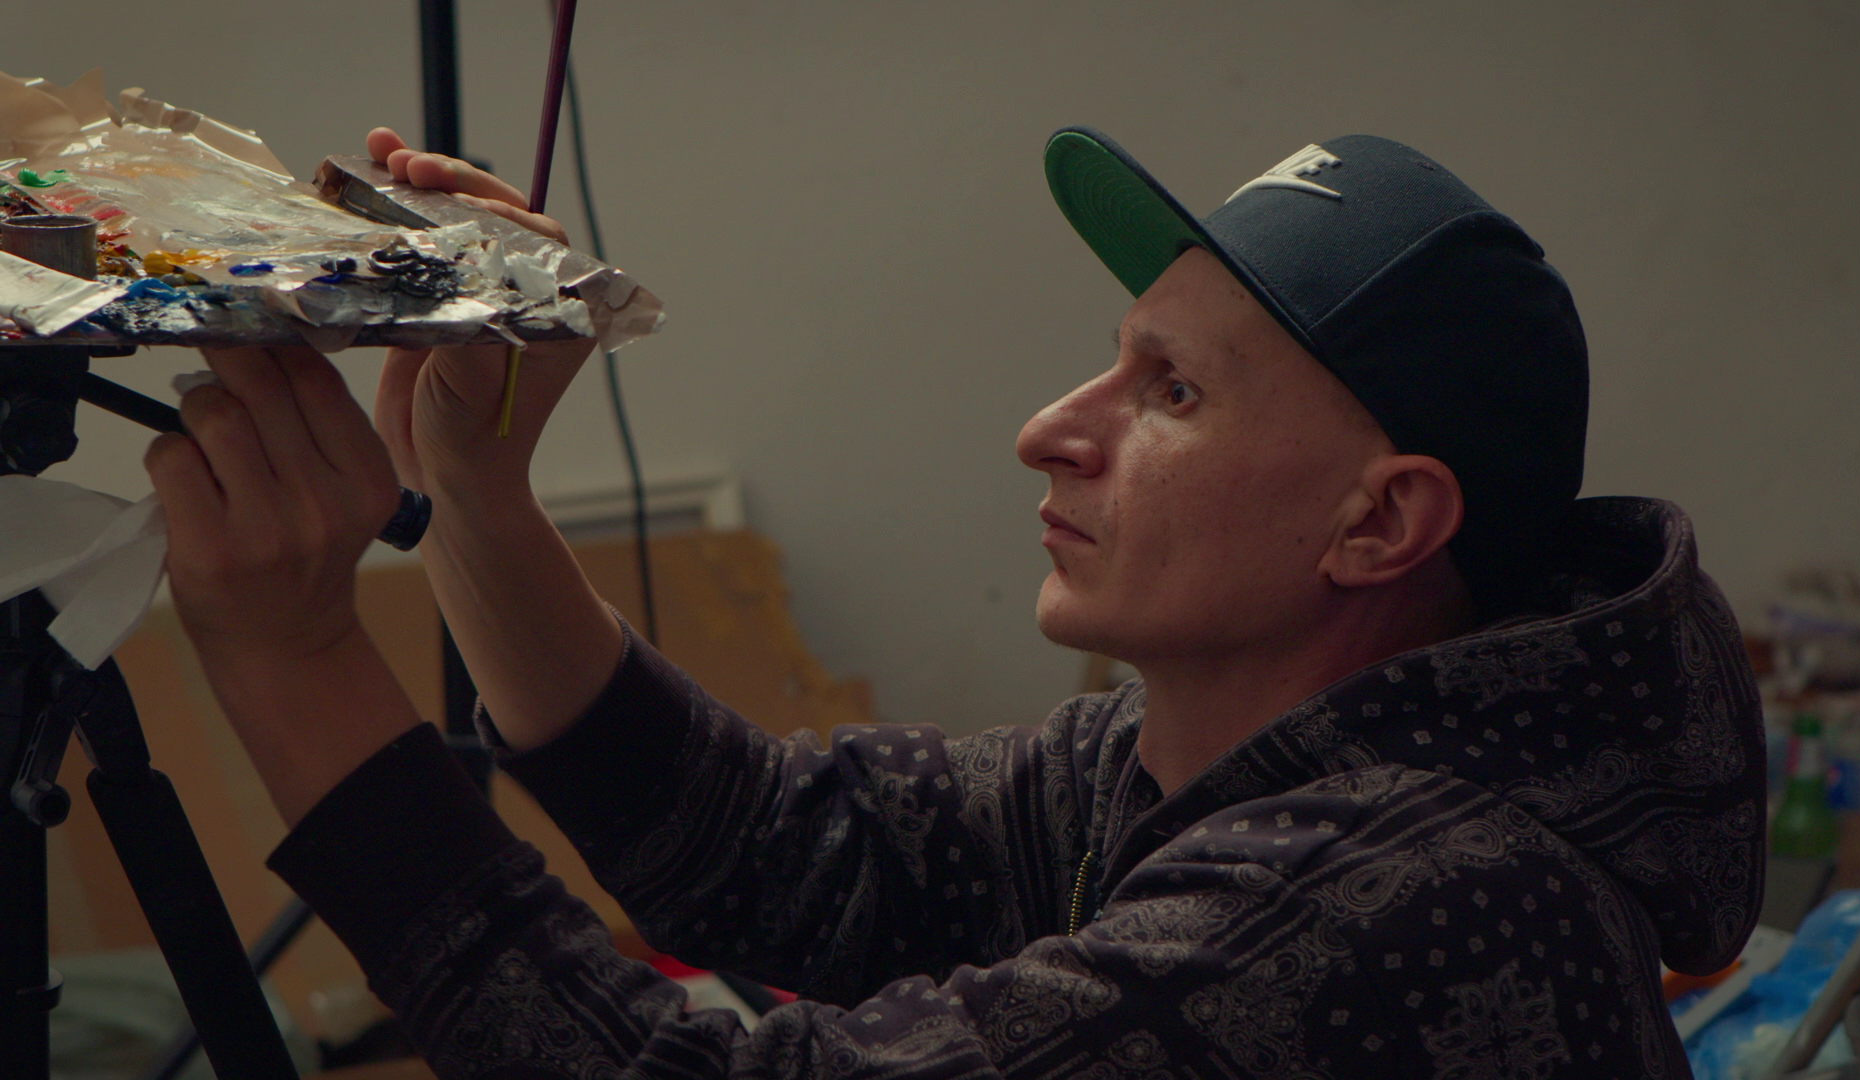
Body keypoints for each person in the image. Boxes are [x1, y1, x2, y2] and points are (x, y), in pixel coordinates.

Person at [145, 124, 1766, 1078]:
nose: (1052, 428)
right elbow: (772, 841)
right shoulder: (1165, 766)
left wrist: (294, 666)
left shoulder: (1405, 892)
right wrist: (477, 491)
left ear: (1381, 522)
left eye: (1173, 392)